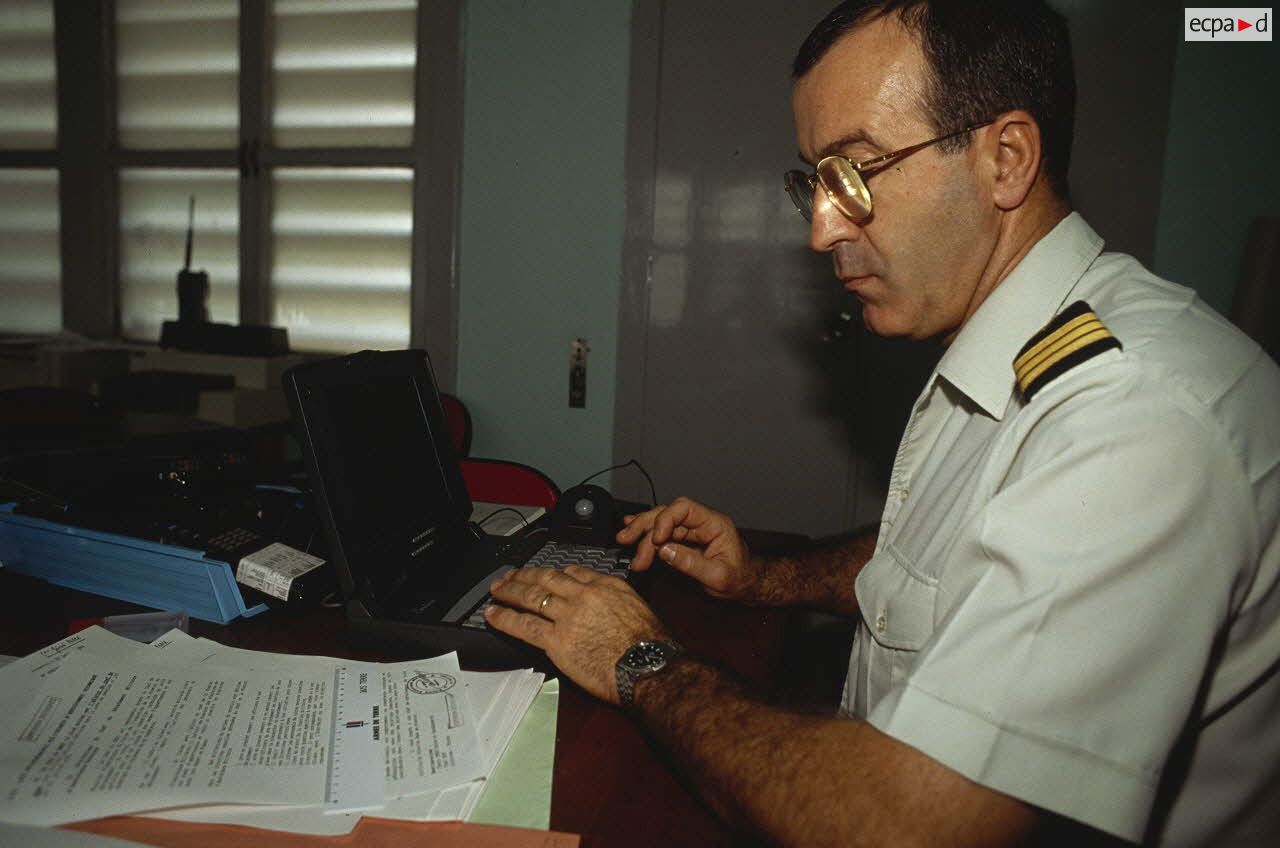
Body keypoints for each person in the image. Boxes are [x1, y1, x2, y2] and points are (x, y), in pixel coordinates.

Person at [486, 1, 1280, 844]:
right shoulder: (1016, 337)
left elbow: (902, 826)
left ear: (1005, 159)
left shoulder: (1138, 417)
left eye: (855, 172)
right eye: (815, 180)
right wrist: (764, 578)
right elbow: (960, 548)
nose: (824, 227)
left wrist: (639, 659)